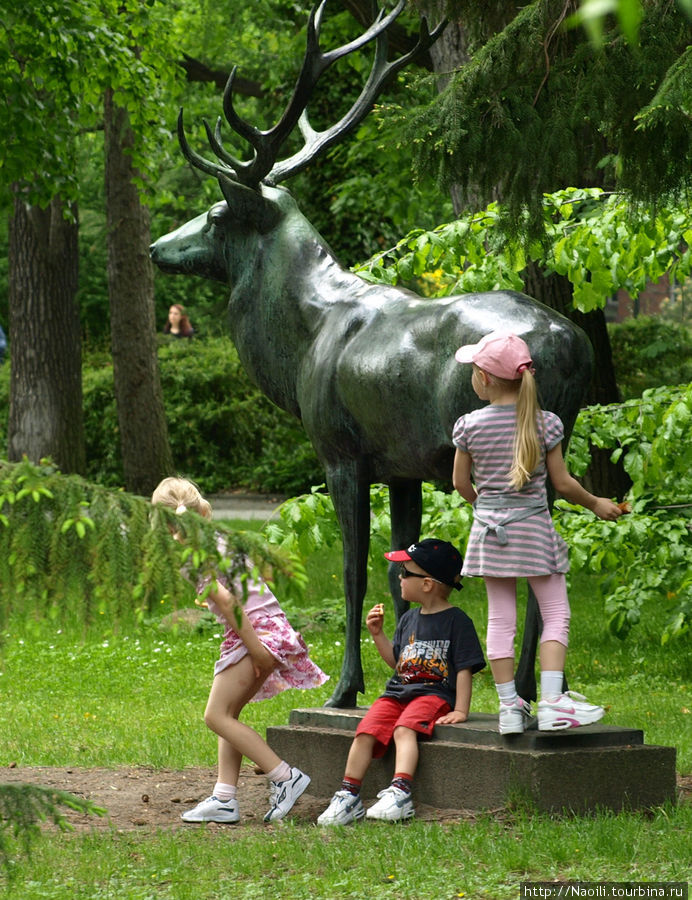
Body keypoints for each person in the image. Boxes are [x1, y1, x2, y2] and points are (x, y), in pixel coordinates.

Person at [452, 331, 623, 735]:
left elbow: (461, 484)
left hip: (490, 533)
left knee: (500, 618)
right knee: (556, 613)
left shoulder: (469, 426)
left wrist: (487, 508)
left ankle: (510, 708)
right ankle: (551, 703)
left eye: (474, 371)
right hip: (534, 530)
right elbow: (562, 484)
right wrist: (596, 502)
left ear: (486, 379)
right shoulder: (545, 423)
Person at [150, 476, 328, 824]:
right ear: (202, 510)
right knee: (227, 717)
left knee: (215, 717)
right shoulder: (219, 539)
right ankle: (224, 798)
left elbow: (229, 601)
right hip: (264, 626)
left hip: (254, 633)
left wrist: (257, 651)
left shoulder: (193, 556)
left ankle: (283, 776)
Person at [317, 539, 485, 825]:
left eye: (406, 573)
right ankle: (348, 796)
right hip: (397, 693)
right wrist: (377, 634)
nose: (400, 578)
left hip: (432, 695)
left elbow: (464, 669)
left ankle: (401, 792)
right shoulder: (408, 618)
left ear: (428, 584)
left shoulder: (457, 621)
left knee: (404, 729)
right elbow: (398, 663)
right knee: (366, 731)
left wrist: (460, 710)